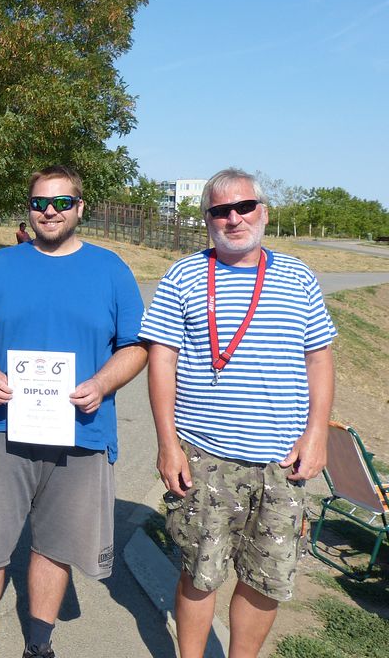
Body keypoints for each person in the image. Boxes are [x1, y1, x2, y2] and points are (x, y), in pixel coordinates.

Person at [0, 165, 146, 658]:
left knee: (55, 548)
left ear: (80, 208)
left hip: (81, 433)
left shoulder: (111, 269)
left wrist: (102, 383)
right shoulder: (0, 265)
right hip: (1, 429)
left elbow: (136, 346)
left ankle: (38, 645)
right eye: (39, 203)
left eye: (61, 202)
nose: (49, 211)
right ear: (29, 209)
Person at [139, 168, 336, 658]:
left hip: (280, 461)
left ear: (262, 212)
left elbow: (319, 358)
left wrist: (317, 435)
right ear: (207, 219)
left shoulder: (298, 277)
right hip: (205, 457)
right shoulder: (184, 275)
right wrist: (167, 444)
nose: (234, 218)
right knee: (199, 572)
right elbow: (161, 359)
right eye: (220, 210)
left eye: (244, 207)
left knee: (266, 578)